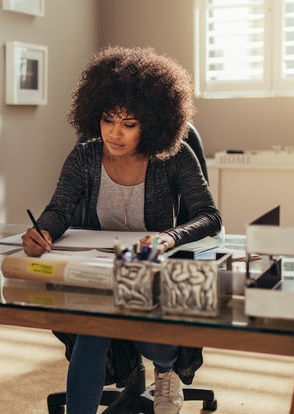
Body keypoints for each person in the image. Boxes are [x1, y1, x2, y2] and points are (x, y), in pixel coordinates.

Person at [21, 46, 222, 414]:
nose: (115, 133)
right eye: (107, 120)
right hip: (101, 269)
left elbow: (209, 216)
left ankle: (166, 372)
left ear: (153, 122)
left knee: (154, 343)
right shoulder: (85, 155)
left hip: (151, 269)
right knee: (91, 328)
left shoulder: (174, 156)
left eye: (129, 124)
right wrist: (43, 232)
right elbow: (59, 208)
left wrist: (169, 236)